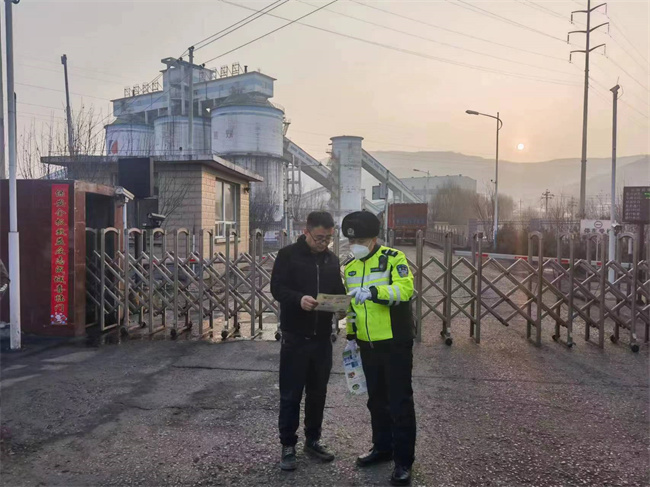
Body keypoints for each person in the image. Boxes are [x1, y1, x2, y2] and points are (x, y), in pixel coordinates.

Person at [342, 210, 416, 487]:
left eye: (360, 240)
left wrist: (374, 293)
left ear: (374, 238)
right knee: (376, 400)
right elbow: (352, 306)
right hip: (367, 344)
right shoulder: (350, 267)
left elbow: (405, 290)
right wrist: (351, 335)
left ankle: (403, 461)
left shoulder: (394, 259)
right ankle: (382, 447)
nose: (355, 245)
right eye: (351, 240)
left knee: (399, 402)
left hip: (394, 343)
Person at [270, 211, 346, 472]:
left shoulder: (332, 260)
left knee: (317, 393)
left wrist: (341, 307)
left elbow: (337, 290)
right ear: (306, 231)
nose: (323, 243)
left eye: (328, 238)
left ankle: (313, 440)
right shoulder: (288, 255)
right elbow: (277, 288)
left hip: (322, 338)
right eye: (319, 238)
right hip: (295, 337)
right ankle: (287, 445)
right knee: (291, 394)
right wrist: (298, 299)